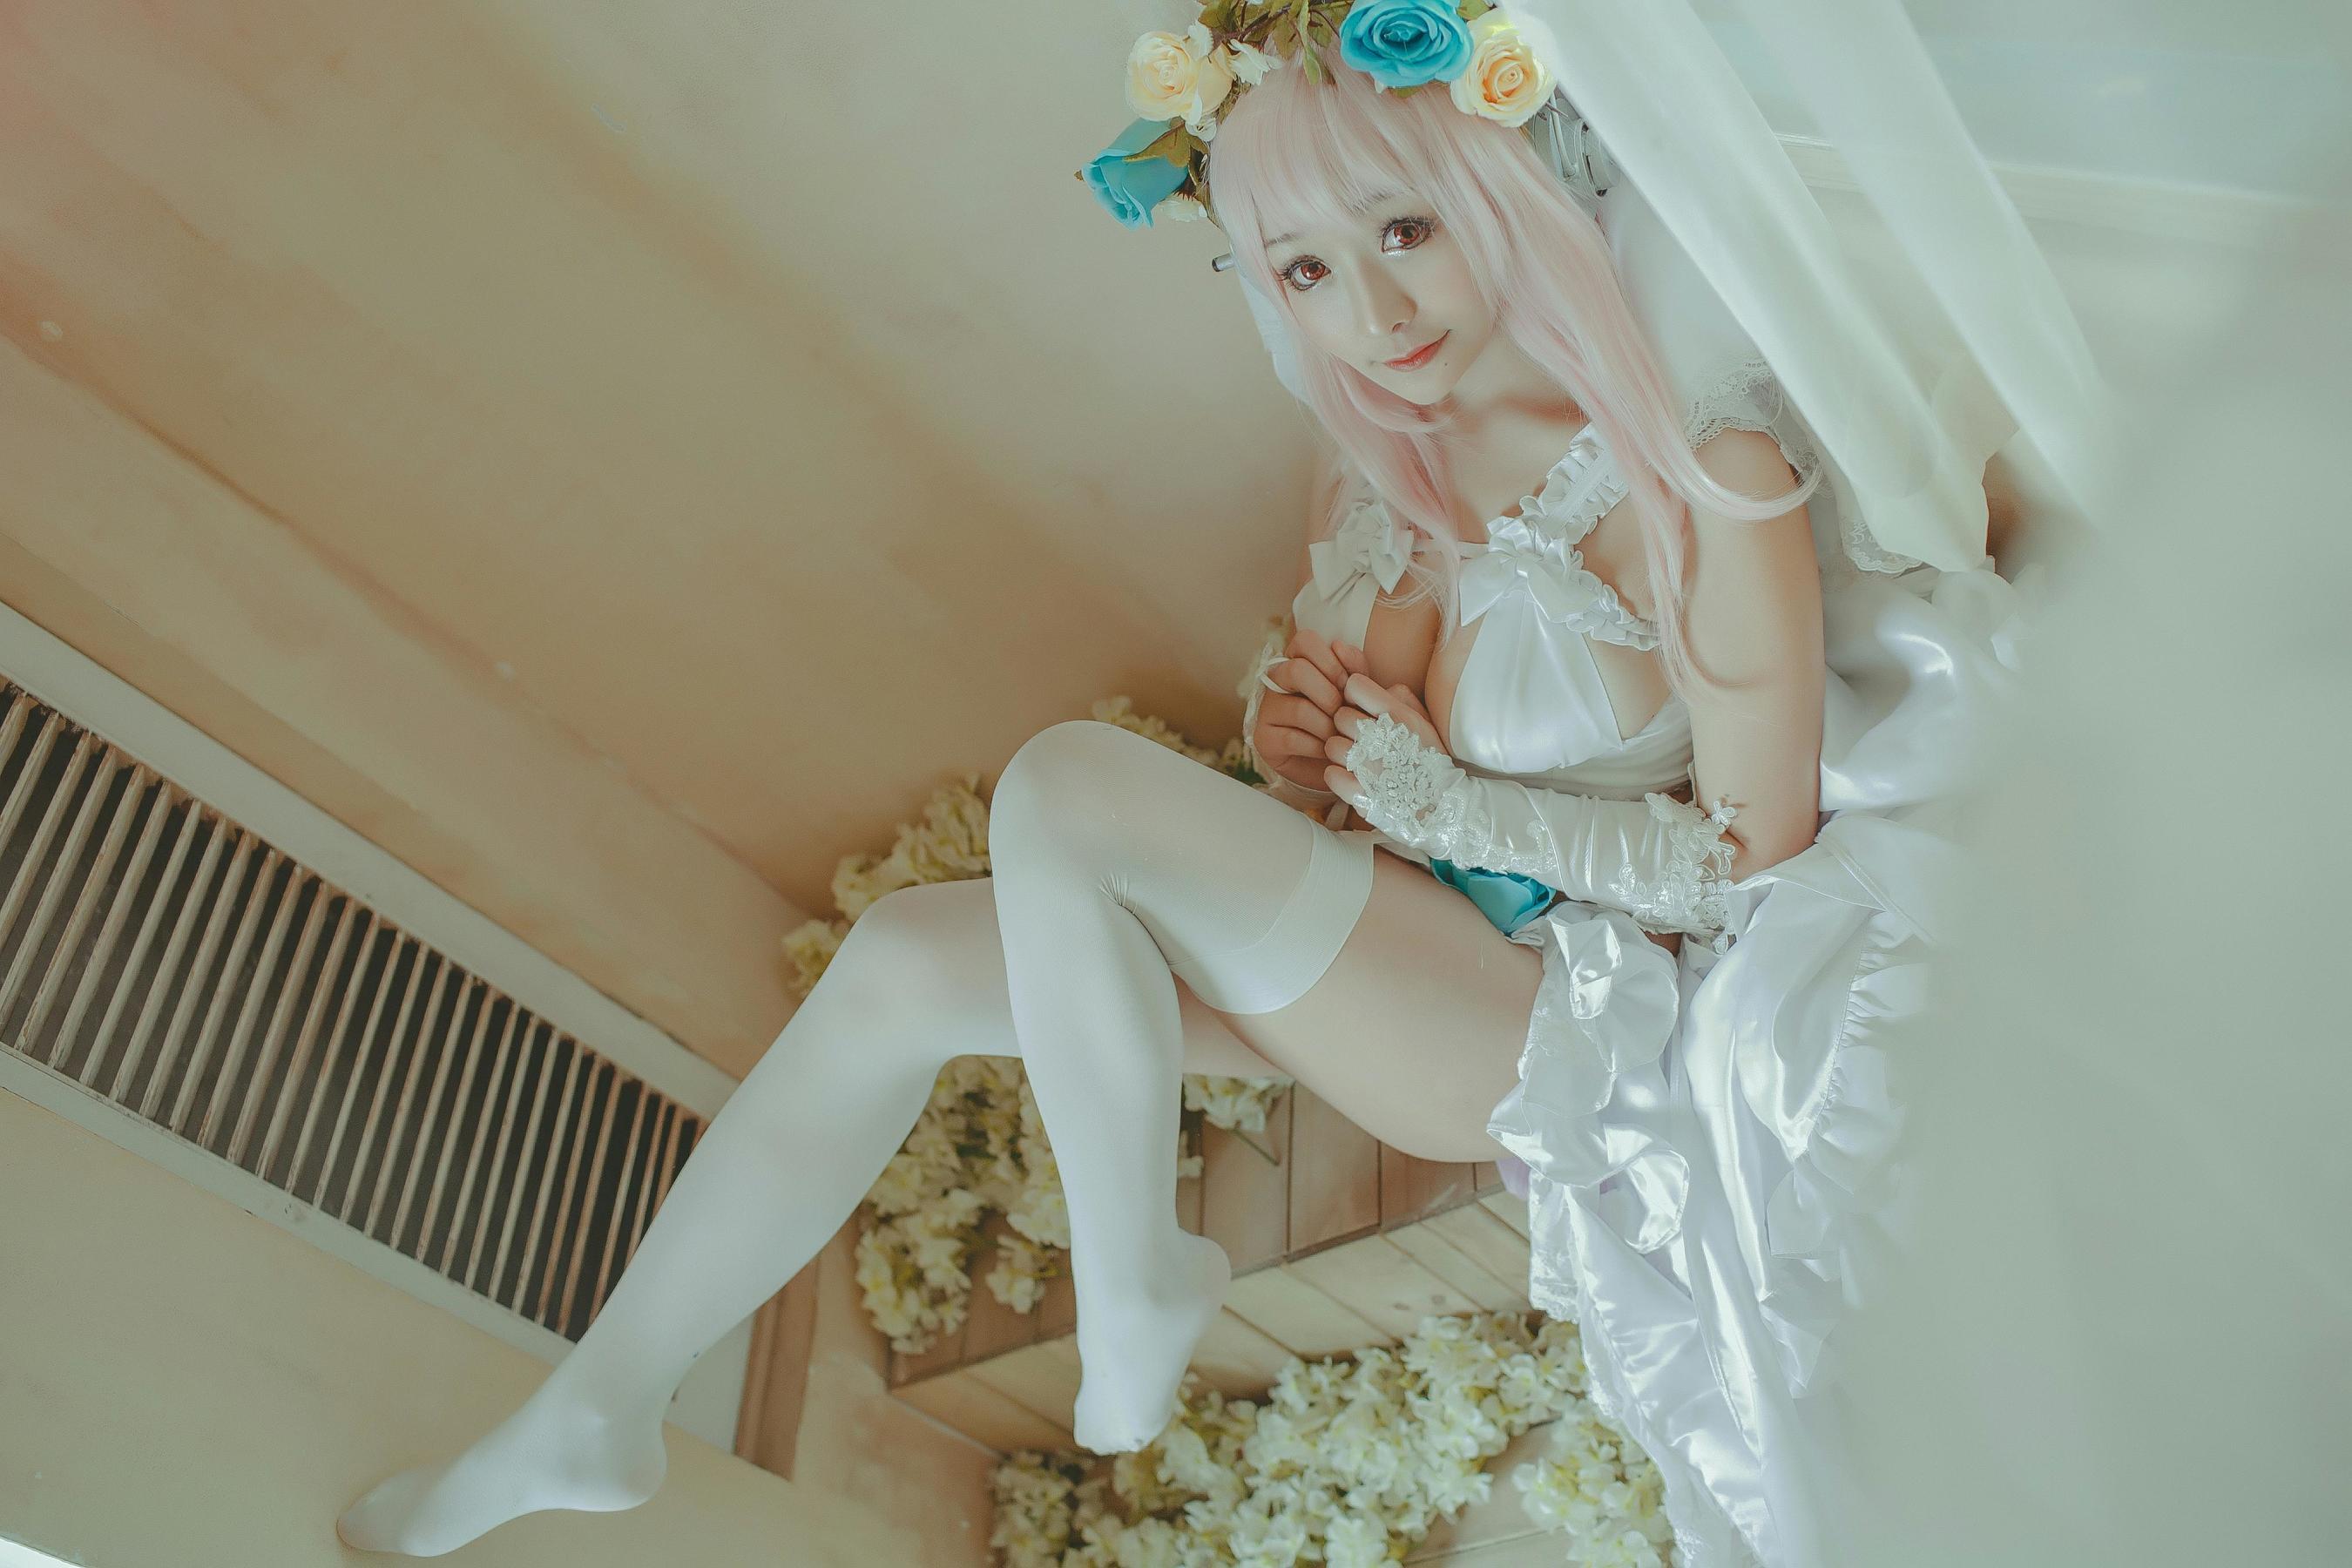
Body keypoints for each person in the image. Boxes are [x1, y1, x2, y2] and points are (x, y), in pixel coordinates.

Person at [336, 34, 2027, 1567]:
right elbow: (1352, 791)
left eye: (1406, 229)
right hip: (1412, 942)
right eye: (1305, 270)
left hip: (1556, 1013)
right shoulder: (1377, 467)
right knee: (900, 964)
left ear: (1499, 184)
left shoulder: (1699, 473)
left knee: (1067, 789)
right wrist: (1306, 755)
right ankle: (596, 1406)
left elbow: (1745, 867)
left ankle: (1137, 1270)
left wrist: (1445, 807)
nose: (1372, 311)